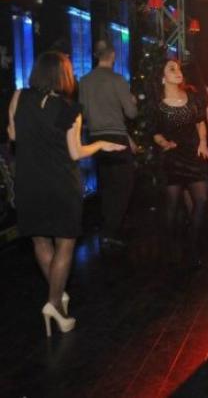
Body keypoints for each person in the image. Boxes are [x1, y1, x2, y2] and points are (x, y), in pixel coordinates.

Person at [8, 51, 125, 336]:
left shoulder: (19, 96)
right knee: (65, 244)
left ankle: (57, 296)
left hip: (28, 182)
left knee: (40, 240)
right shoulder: (70, 109)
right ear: (64, 76)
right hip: (61, 184)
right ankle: (53, 304)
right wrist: (101, 145)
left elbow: (13, 136)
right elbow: (76, 152)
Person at [149, 59, 208, 269]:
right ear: (163, 77)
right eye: (172, 69)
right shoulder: (157, 105)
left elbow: (200, 122)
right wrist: (164, 143)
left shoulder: (192, 97)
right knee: (172, 205)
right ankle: (167, 248)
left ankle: (192, 246)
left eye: (178, 68)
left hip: (194, 155)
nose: (178, 71)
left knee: (201, 200)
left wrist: (203, 143)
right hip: (173, 158)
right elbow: (155, 132)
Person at [78, 39, 138, 249]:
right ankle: (110, 231)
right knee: (124, 184)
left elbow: (83, 113)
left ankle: (108, 229)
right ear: (112, 55)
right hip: (116, 138)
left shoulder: (84, 81)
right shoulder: (118, 80)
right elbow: (131, 113)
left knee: (107, 184)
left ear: (96, 55)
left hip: (95, 138)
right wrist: (133, 101)